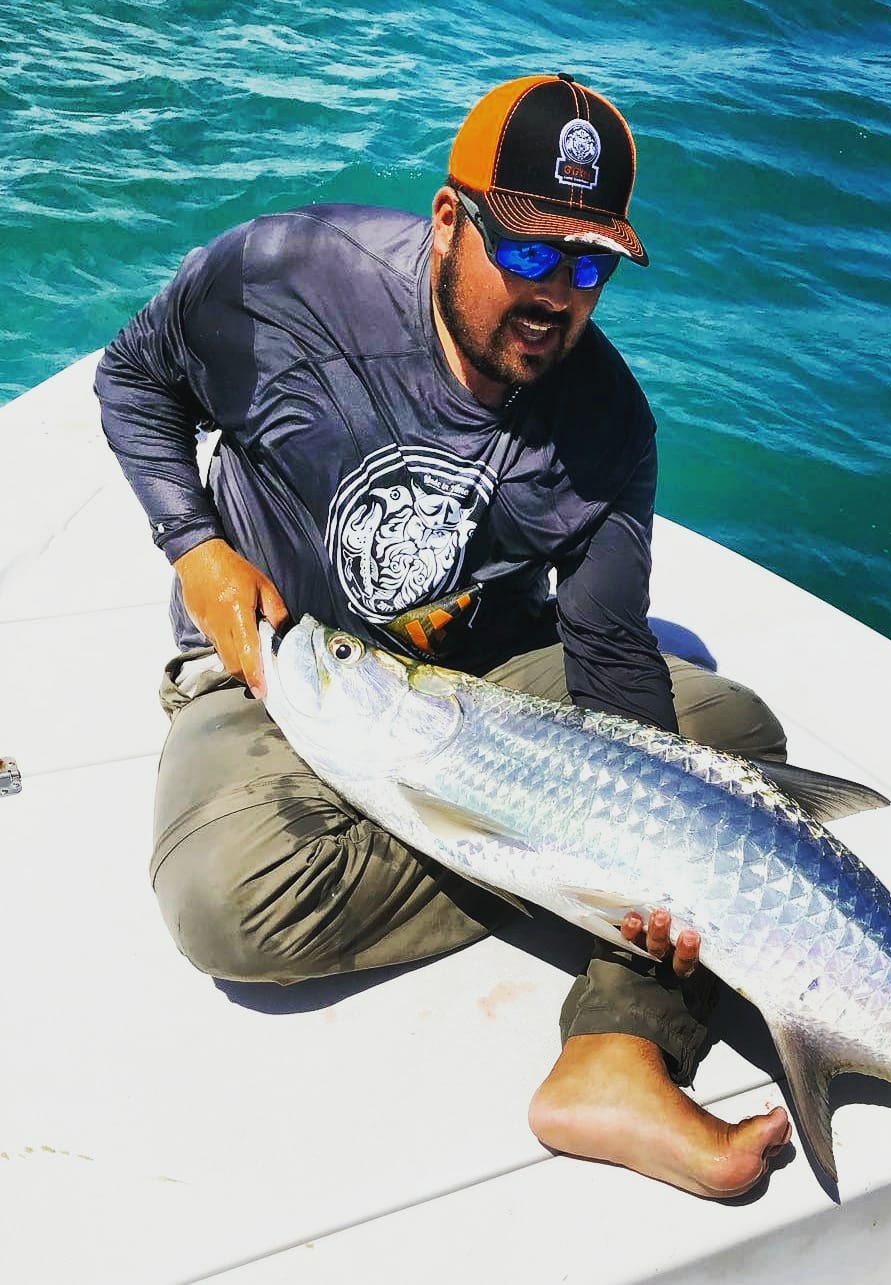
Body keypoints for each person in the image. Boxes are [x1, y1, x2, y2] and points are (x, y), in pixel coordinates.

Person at [95, 72, 792, 1197]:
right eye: (527, 252)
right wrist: (196, 547)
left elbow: (612, 661)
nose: (555, 296)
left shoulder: (608, 423)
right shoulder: (286, 276)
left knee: (730, 744)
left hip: (478, 686)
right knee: (229, 898)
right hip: (283, 658)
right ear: (447, 219)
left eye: (588, 265)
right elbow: (134, 377)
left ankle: (616, 1049)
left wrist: (655, 840)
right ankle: (544, 854)